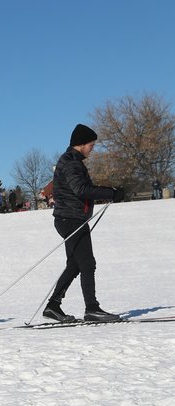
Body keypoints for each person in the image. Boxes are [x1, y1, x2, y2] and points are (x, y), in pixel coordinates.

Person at [43, 124, 125, 323]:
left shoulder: (72, 160)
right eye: (91, 144)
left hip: (69, 219)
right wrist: (111, 192)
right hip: (71, 219)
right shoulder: (71, 163)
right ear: (80, 144)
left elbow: (81, 189)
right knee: (87, 263)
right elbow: (81, 189)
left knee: (74, 264)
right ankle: (92, 309)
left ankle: (53, 306)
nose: (92, 148)